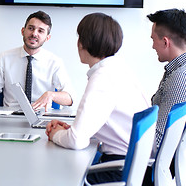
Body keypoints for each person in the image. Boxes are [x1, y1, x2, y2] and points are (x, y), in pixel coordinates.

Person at [46, 13, 149, 184]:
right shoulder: (119, 68)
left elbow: (76, 140)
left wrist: (55, 134)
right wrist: (71, 129)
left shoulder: (103, 77)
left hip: (118, 169)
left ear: (82, 43)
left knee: (54, 176)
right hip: (133, 166)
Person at [142, 9, 186, 185]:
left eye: (153, 40)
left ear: (165, 42)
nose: (152, 46)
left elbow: (157, 142)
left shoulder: (181, 79)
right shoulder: (185, 69)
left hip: (148, 170)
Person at [0, 11, 75, 110]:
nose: (34, 34)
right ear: (22, 31)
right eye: (31, 28)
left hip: (42, 116)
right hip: (10, 117)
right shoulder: (5, 58)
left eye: (40, 31)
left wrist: (51, 95)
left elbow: (70, 98)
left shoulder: (54, 62)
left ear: (47, 38)